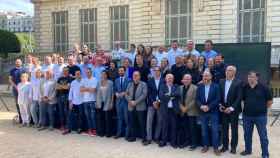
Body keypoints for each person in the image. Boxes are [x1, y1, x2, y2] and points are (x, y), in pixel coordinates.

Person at [241, 71, 272, 158]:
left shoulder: (264, 87)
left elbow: (270, 101)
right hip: (247, 116)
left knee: (263, 136)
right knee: (247, 135)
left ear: (257, 78)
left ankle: (265, 154)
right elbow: (242, 100)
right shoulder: (245, 87)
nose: (250, 78)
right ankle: (248, 150)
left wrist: (263, 110)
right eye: (249, 77)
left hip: (260, 116)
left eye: (252, 77)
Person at [196, 70, 221, 156]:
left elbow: (218, 99)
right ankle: (205, 146)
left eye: (207, 76)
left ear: (211, 77)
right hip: (203, 112)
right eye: (204, 76)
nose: (205, 77)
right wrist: (201, 106)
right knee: (204, 130)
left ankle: (216, 148)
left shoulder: (216, 86)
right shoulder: (199, 87)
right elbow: (197, 99)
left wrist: (209, 107)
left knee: (215, 130)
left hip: (213, 111)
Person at [219, 65, 242, 154]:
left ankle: (233, 147)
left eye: (230, 70)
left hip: (234, 110)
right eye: (227, 70)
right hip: (223, 109)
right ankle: (225, 146)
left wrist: (231, 108)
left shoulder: (239, 82)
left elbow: (239, 97)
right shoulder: (221, 81)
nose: (228, 72)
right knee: (224, 129)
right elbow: (219, 95)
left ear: (234, 72)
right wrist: (220, 105)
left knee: (234, 129)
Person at [143, 66, 164, 146]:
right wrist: (153, 102)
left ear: (160, 72)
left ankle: (156, 137)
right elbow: (149, 93)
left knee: (159, 121)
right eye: (154, 71)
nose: (156, 72)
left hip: (160, 104)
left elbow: (164, 92)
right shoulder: (150, 81)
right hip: (151, 104)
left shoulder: (163, 80)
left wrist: (158, 101)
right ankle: (149, 138)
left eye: (157, 70)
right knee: (149, 121)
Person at [158, 73, 180, 148]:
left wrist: (168, 95)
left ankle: (173, 142)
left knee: (174, 126)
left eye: (171, 78)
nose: (170, 79)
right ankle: (164, 141)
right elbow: (161, 96)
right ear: (165, 79)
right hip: (165, 109)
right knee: (164, 126)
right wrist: (171, 96)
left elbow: (178, 94)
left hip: (173, 110)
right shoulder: (162, 86)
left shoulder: (176, 86)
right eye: (168, 78)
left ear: (173, 79)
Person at [125, 71, 148, 142]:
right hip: (131, 106)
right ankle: (133, 137)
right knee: (132, 123)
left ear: (139, 76)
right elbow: (126, 94)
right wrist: (130, 101)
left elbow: (144, 95)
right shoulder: (129, 84)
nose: (135, 77)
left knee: (142, 123)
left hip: (140, 107)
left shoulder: (143, 84)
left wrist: (135, 102)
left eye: (137, 75)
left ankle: (144, 138)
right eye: (134, 75)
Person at [179, 74, 199, 150]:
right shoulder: (180, 88)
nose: (186, 80)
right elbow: (177, 99)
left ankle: (194, 143)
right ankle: (187, 141)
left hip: (192, 111)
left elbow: (195, 100)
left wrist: (186, 108)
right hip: (183, 112)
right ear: (183, 80)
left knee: (192, 128)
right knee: (186, 127)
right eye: (185, 79)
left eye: (188, 79)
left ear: (191, 80)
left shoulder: (195, 88)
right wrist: (181, 107)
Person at [62, 70, 84, 135]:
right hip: (74, 102)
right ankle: (68, 128)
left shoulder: (84, 81)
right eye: (76, 74)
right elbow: (70, 92)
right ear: (75, 75)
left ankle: (79, 128)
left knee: (80, 116)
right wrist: (70, 102)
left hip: (82, 102)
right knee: (70, 115)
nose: (78, 75)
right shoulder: (73, 82)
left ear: (81, 74)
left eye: (79, 74)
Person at [96, 70, 114, 137]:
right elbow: (97, 93)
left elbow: (112, 94)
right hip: (100, 102)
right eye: (102, 74)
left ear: (107, 75)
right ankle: (102, 132)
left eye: (104, 74)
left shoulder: (110, 83)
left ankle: (108, 133)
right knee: (101, 118)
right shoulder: (98, 82)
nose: (103, 75)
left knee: (108, 119)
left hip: (108, 102)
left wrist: (112, 103)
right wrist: (97, 102)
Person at [80, 68, 98, 136]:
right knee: (87, 116)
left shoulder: (95, 79)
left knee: (93, 116)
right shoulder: (84, 80)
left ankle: (94, 130)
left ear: (91, 72)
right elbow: (81, 89)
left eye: (89, 72)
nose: (88, 73)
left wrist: (85, 88)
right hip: (85, 100)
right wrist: (88, 88)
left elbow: (93, 90)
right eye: (87, 72)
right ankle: (90, 130)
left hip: (92, 100)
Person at [114, 66, 130, 139]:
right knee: (119, 118)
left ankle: (127, 134)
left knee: (126, 119)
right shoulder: (116, 80)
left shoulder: (129, 80)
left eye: (122, 71)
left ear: (125, 71)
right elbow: (114, 89)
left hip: (126, 102)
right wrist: (116, 93)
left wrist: (125, 93)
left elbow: (130, 89)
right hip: (118, 102)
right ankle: (119, 133)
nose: (121, 72)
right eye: (119, 71)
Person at [9, 59, 27, 123]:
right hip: (16, 89)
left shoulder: (24, 69)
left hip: (24, 89)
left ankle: (27, 119)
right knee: (18, 103)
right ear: (15, 63)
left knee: (25, 103)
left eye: (19, 62)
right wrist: (16, 87)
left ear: (21, 63)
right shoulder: (12, 70)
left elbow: (26, 78)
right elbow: (10, 80)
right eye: (17, 62)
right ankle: (20, 118)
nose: (18, 63)